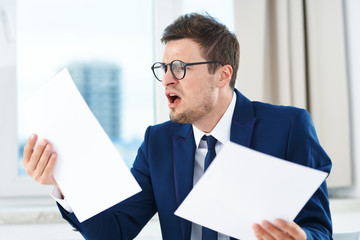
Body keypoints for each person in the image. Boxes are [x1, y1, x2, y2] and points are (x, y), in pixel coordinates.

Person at [23, 13, 332, 240]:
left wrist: (301, 238)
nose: (168, 78)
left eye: (180, 68)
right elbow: (113, 232)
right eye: (164, 68)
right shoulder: (158, 141)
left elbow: (319, 229)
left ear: (222, 75)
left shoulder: (288, 127)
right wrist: (65, 183)